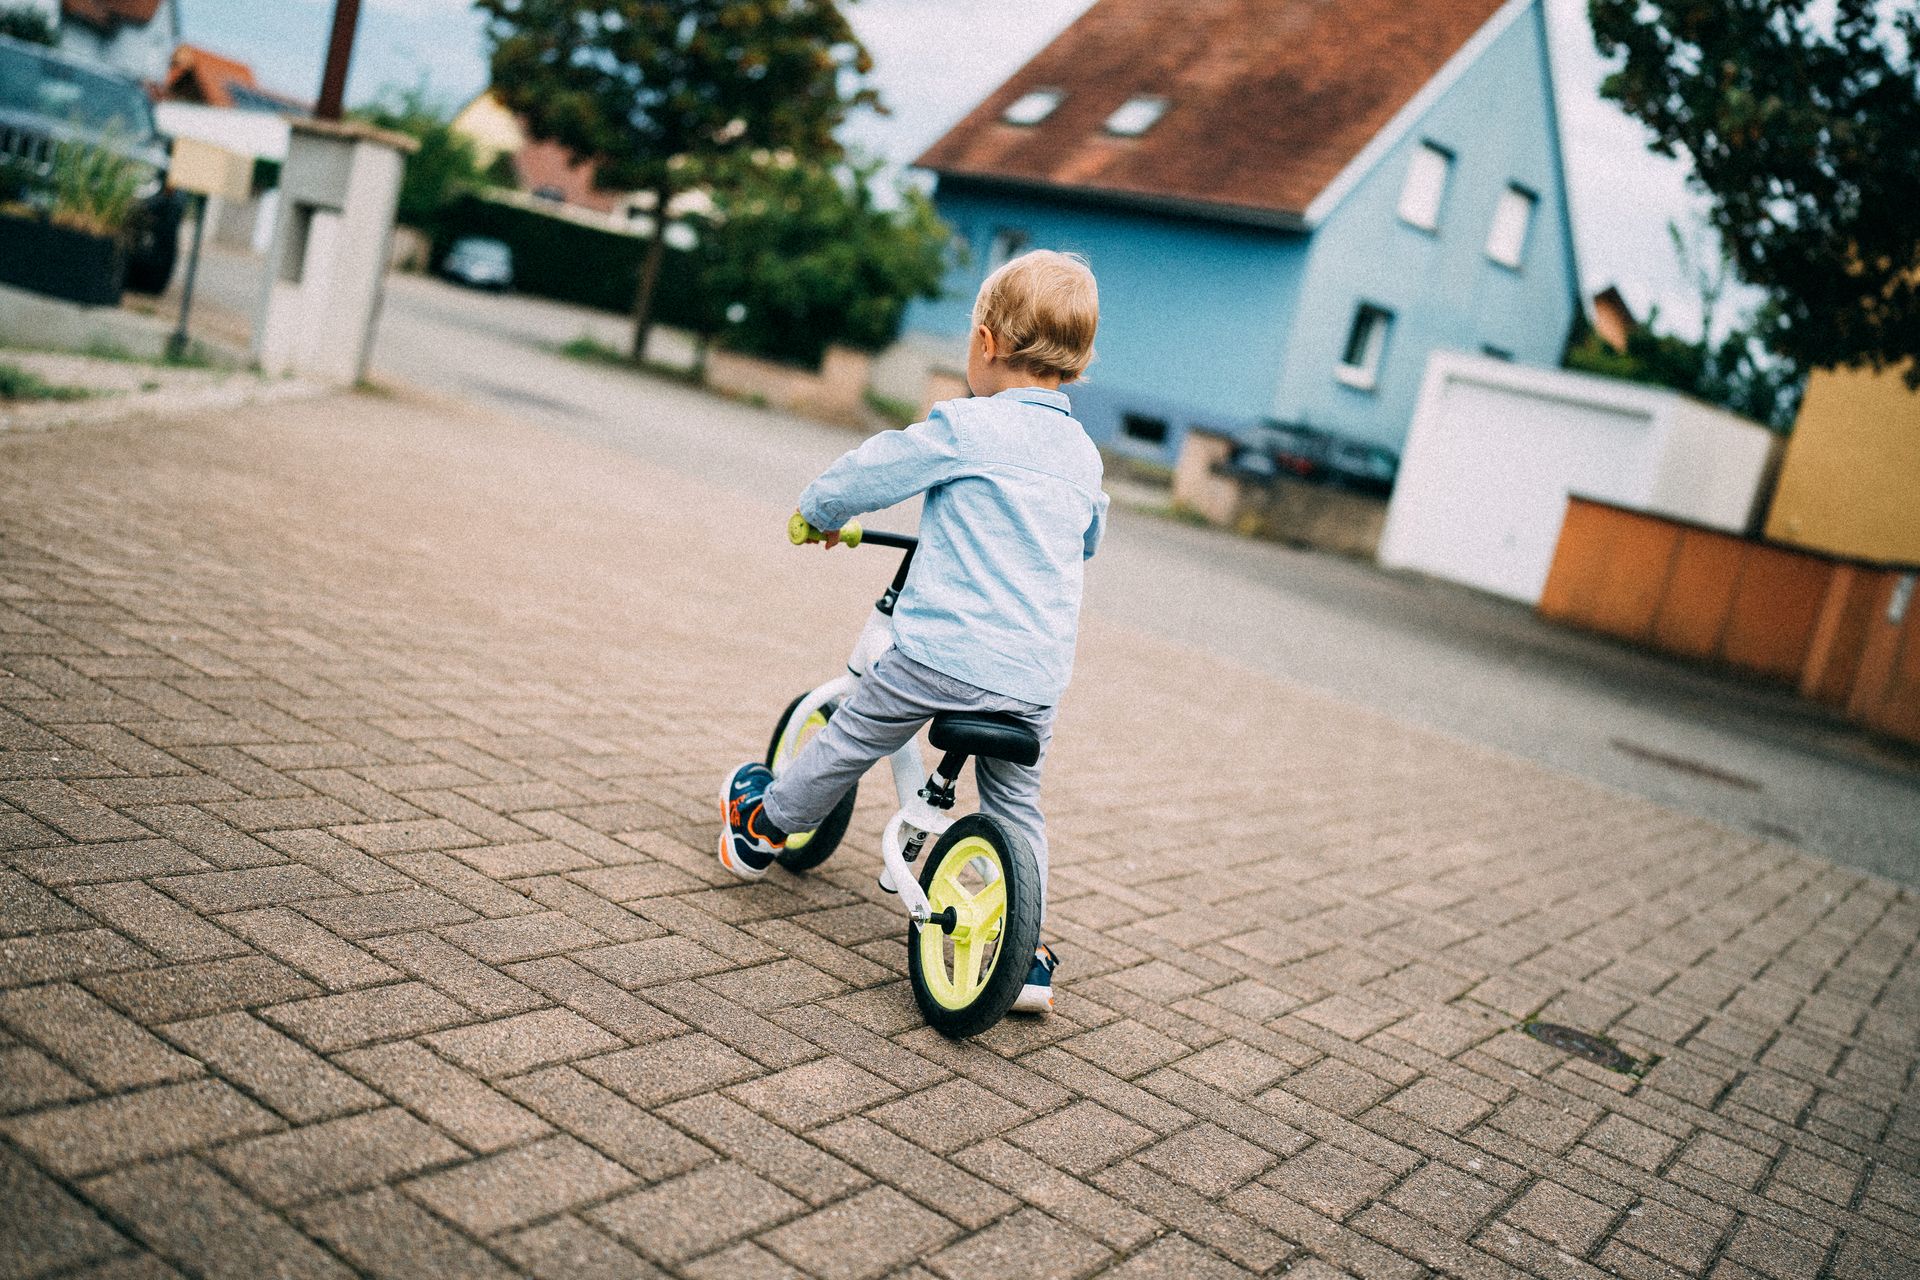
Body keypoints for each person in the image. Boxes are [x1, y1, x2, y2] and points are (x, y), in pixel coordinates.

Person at [717, 249, 1107, 1015]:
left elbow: (875, 469)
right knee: (1016, 804)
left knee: (853, 734)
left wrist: (821, 512)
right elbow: (1087, 540)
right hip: (1032, 680)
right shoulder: (1085, 457)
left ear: (986, 344)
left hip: (940, 655)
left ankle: (765, 826)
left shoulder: (967, 425)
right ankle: (1021, 952)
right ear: (1078, 362)